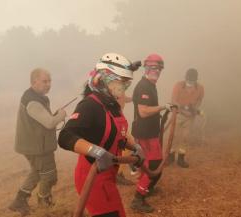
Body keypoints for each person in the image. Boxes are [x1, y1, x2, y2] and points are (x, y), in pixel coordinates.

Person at [58, 53, 144, 217]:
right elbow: (65, 136)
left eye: (126, 84)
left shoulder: (112, 104)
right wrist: (97, 152)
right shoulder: (90, 105)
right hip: (92, 176)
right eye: (121, 83)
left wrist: (136, 146)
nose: (123, 89)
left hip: (108, 173)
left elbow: (120, 134)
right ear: (105, 80)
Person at [9, 68, 67, 215]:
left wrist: (53, 115)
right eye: (44, 81)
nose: (48, 84)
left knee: (36, 172)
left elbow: (41, 120)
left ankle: (19, 200)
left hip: (33, 145)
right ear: (34, 81)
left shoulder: (36, 96)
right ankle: (44, 202)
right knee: (49, 175)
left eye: (49, 81)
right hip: (37, 147)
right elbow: (49, 123)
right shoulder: (33, 101)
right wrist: (61, 115)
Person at [130, 53, 176, 213]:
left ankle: (146, 189)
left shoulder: (150, 85)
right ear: (147, 68)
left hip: (150, 133)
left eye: (159, 69)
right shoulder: (144, 86)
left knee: (152, 167)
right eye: (153, 68)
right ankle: (138, 198)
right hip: (144, 134)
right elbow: (143, 111)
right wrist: (164, 107)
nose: (156, 71)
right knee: (153, 167)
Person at [170, 68, 204, 168]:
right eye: (188, 81)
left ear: (196, 80)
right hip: (178, 114)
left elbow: (199, 101)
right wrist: (183, 108)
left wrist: (194, 109)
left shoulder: (200, 88)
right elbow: (173, 100)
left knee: (186, 137)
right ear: (185, 78)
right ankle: (171, 155)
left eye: (192, 81)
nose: (190, 83)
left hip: (190, 117)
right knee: (174, 135)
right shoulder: (178, 85)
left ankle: (181, 157)